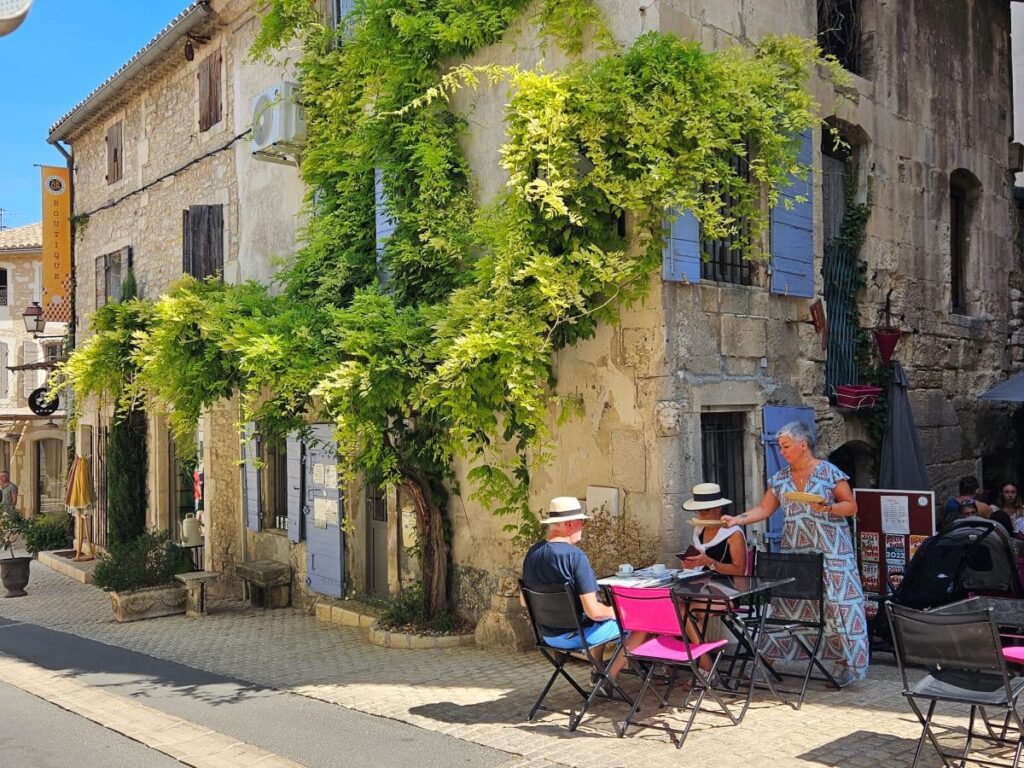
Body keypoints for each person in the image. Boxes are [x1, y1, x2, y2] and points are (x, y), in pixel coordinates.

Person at [722, 420, 868, 685]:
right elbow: (764, 509)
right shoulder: (780, 480)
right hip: (798, 553)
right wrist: (738, 520)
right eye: (780, 447)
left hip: (833, 553)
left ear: (803, 446)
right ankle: (768, 660)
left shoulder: (829, 473)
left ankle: (847, 664)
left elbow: (851, 506)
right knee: (789, 605)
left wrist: (829, 508)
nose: (782, 452)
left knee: (838, 608)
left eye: (786, 446)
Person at [520, 496, 645, 681]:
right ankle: (608, 677)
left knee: (601, 612)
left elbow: (524, 601)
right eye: (582, 522)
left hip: (547, 635)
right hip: (578, 636)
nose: (583, 527)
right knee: (641, 622)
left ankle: (597, 669)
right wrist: (619, 611)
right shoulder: (575, 557)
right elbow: (594, 612)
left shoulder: (533, 553)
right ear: (570, 524)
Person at [680, 482, 747, 576]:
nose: (701, 514)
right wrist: (691, 563)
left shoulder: (734, 533)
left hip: (728, 586)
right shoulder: (698, 530)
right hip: (702, 583)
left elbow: (739, 571)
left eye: (706, 510)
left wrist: (709, 562)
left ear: (718, 509)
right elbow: (699, 563)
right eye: (698, 510)